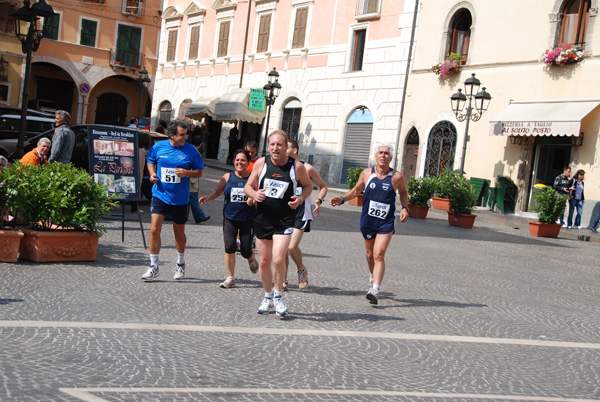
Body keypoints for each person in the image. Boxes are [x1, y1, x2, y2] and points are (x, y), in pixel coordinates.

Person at [244, 130, 312, 318]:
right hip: (263, 218)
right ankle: (267, 297)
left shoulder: (296, 167)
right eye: (272, 144)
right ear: (268, 145)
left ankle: (279, 295)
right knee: (265, 261)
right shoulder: (261, 163)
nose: (275, 148)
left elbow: (308, 186)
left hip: (284, 220)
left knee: (279, 259)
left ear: (286, 147)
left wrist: (299, 198)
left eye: (279, 145)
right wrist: (254, 194)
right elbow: (247, 186)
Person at [329, 143, 409, 306]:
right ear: (375, 156)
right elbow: (356, 190)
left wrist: (405, 207)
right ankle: (373, 277)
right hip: (368, 220)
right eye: (380, 153)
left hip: (386, 222)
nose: (383, 156)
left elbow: (403, 192)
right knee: (370, 254)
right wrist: (342, 199)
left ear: (391, 157)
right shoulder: (366, 174)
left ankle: (375, 290)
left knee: (379, 254)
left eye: (386, 153)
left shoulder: (397, 177)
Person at [141, 119, 204, 281]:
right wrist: (152, 174)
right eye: (182, 135)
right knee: (154, 229)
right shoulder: (159, 147)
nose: (185, 137)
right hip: (160, 194)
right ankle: (153, 266)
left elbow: (199, 172)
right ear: (172, 135)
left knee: (179, 232)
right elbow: (150, 160)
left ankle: (180, 263)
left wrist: (187, 173)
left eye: (186, 134)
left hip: (180, 199)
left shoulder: (191, 150)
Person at [199, 149, 259, 288]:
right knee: (230, 247)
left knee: (245, 250)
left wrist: (254, 200)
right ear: (234, 161)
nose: (239, 162)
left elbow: (258, 197)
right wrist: (208, 198)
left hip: (247, 218)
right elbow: (218, 191)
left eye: (243, 160)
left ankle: (251, 258)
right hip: (230, 217)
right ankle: (231, 277)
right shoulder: (227, 177)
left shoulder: (252, 179)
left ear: (248, 162)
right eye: (237, 160)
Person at [283, 138, 328, 291]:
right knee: (282, 248)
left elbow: (322, 186)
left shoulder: (307, 168)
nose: (283, 149)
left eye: (286, 147)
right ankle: (283, 278)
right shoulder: (282, 167)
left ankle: (301, 269)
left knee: (291, 246)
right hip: (284, 211)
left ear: (294, 150)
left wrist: (319, 200)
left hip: (301, 212)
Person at [188, 134, 210, 224]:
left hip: (188, 179)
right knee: (193, 200)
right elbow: (193, 168)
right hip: (191, 181)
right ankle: (199, 216)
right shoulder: (195, 152)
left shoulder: (189, 150)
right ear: (201, 144)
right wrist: (193, 180)